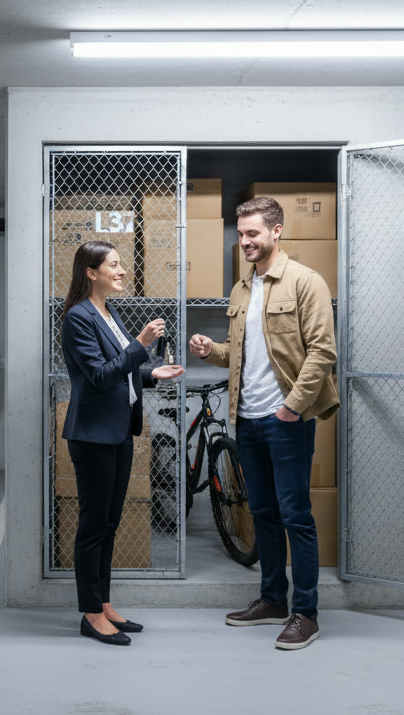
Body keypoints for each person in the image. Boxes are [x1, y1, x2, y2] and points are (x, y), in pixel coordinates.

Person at [188, 197, 338, 650]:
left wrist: (292, 406)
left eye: (253, 233)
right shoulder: (242, 289)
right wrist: (211, 351)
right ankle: (272, 598)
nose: (245, 241)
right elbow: (245, 355)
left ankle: (305, 612)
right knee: (263, 513)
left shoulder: (305, 282)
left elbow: (322, 352)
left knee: (296, 516)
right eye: (241, 233)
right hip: (247, 420)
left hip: (285, 420)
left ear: (276, 231)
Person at [61, 240, 184, 646]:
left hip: (116, 431)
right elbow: (97, 376)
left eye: (121, 264)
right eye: (113, 265)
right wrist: (142, 343)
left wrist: (151, 375)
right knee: (93, 528)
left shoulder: (107, 313)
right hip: (93, 436)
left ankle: (105, 604)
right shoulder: (79, 318)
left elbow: (119, 371)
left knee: (109, 525)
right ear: (91, 272)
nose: (122, 271)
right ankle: (90, 614)